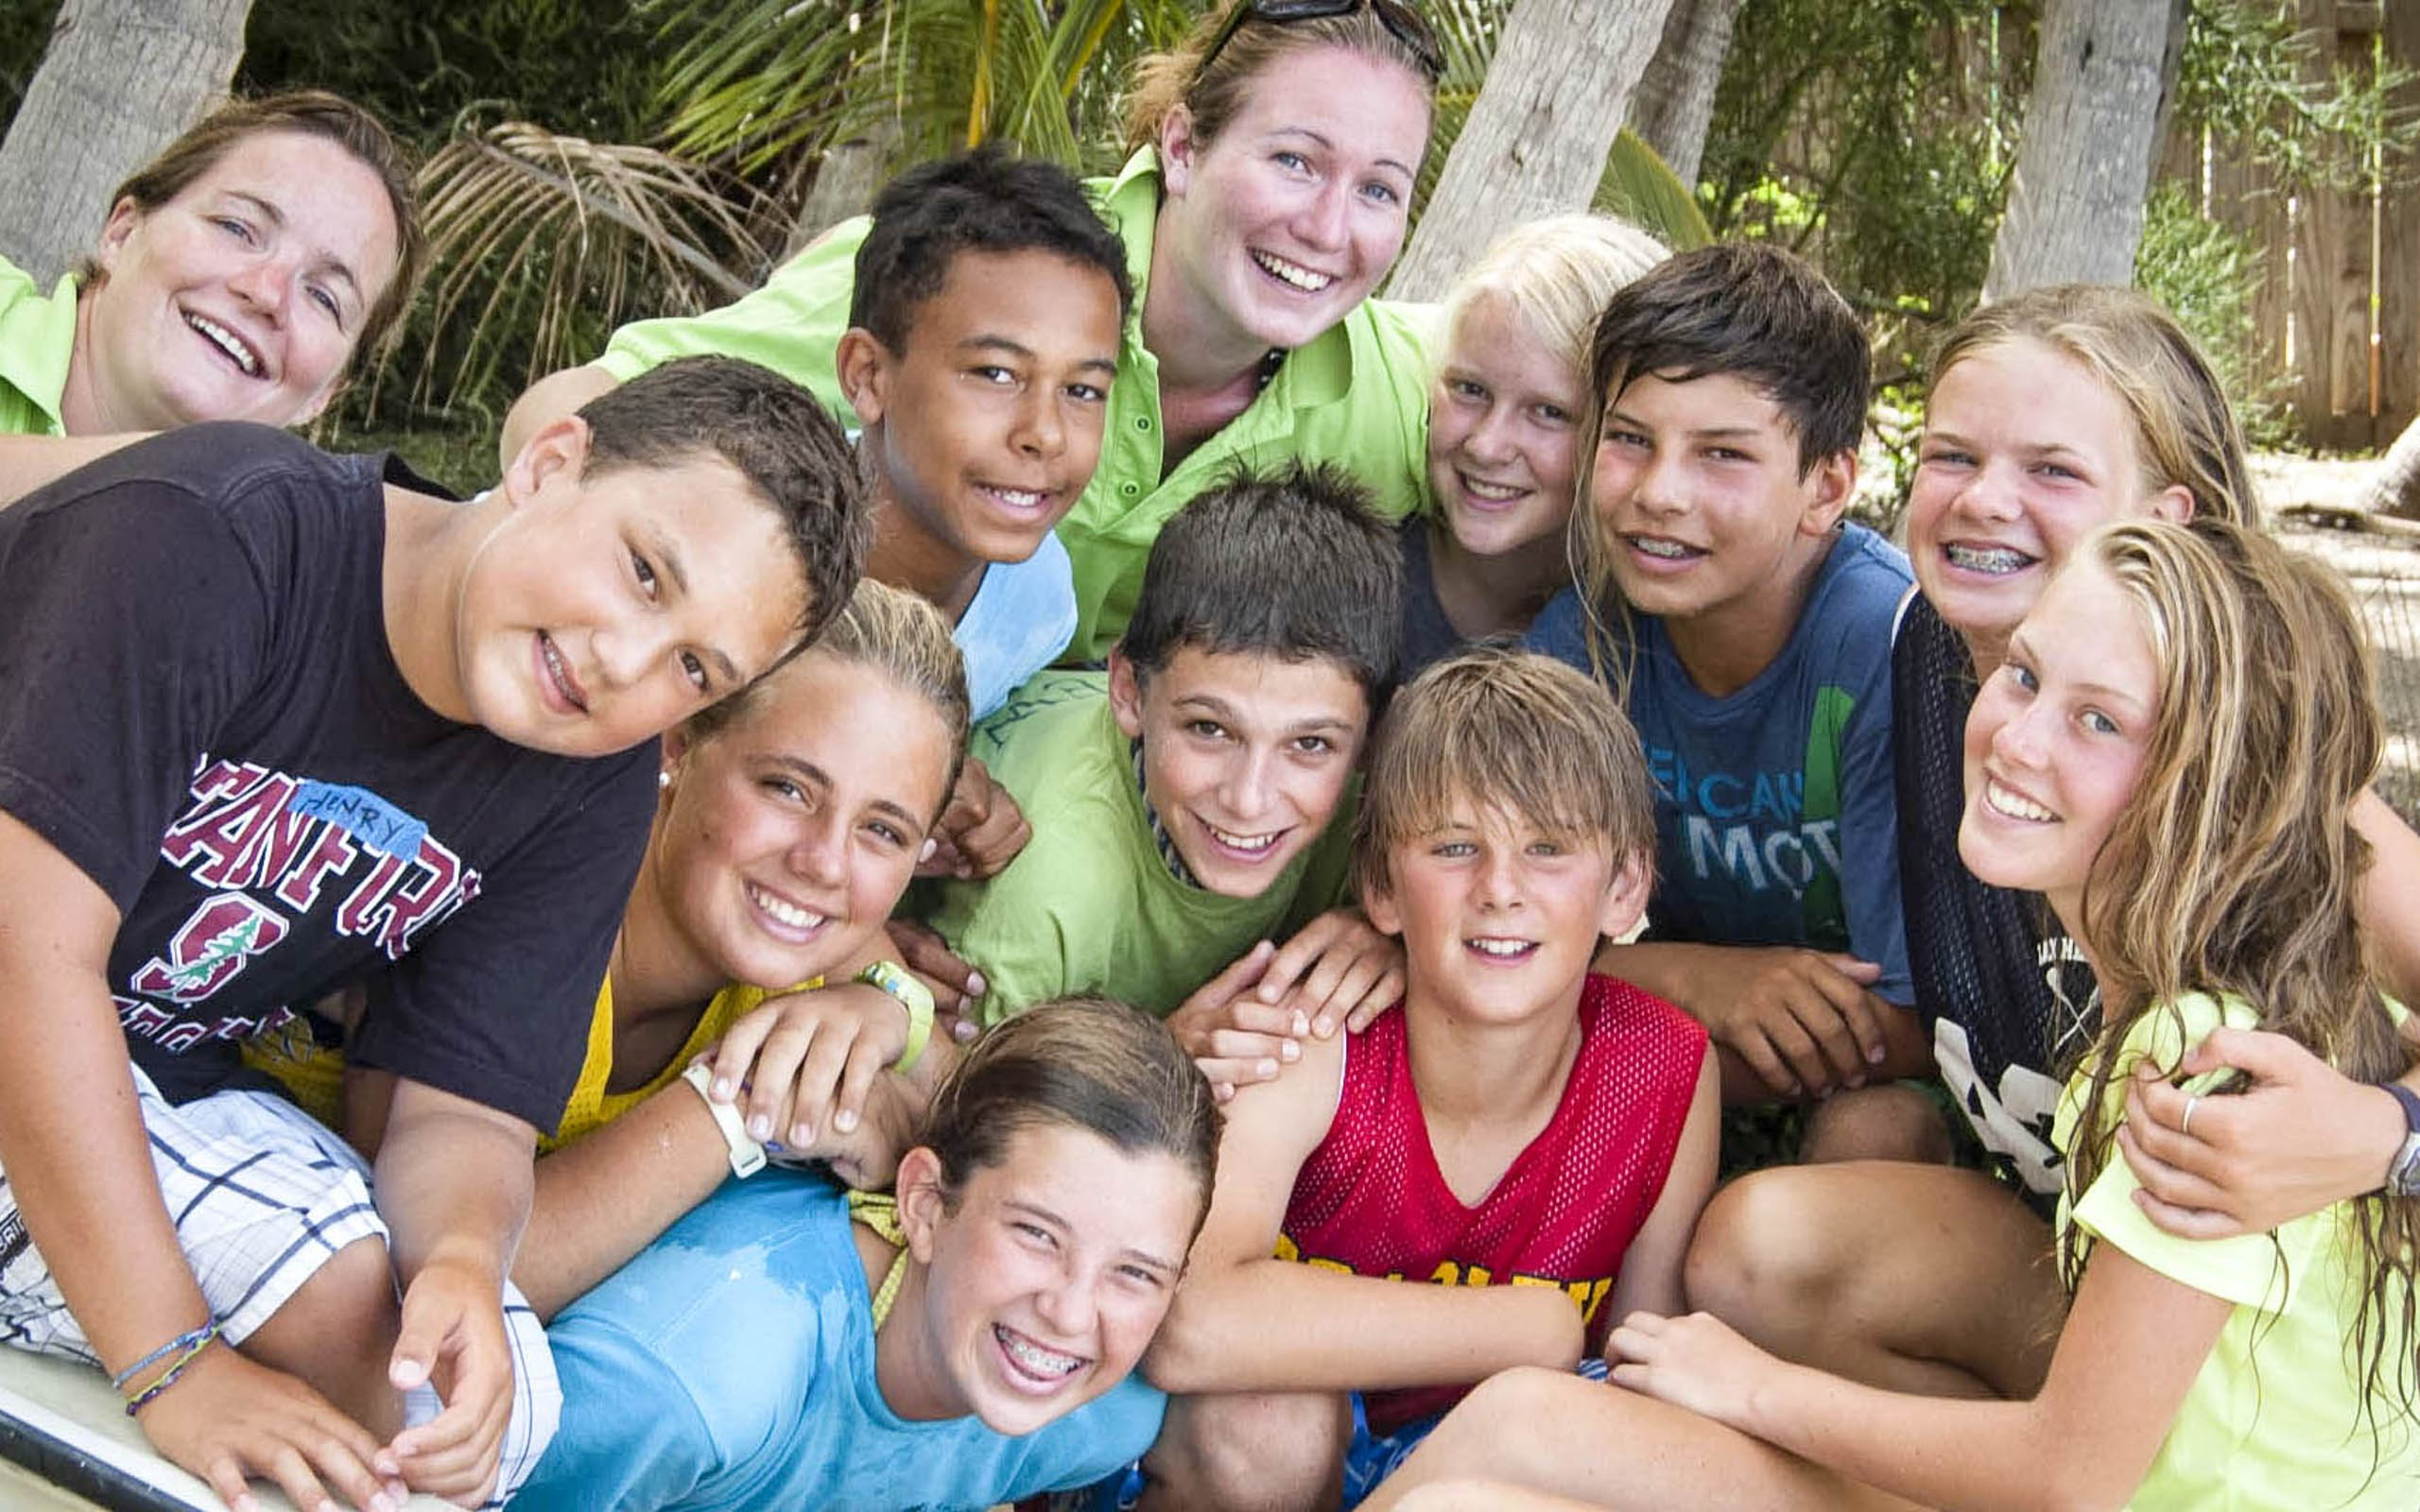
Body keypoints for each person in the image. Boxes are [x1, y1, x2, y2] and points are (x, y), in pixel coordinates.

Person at [1362, 520, 2420, 1511]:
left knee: (1487, 1482)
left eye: (2097, 720)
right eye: (2023, 675)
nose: (2017, 736)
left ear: (2216, 790)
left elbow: (2068, 1474)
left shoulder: (2201, 1057)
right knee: (1519, 1426)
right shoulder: (2227, 997)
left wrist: (1753, 1386)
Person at [0, 354, 864, 1511]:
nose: (623, 662)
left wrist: (459, 1254)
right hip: (25, 994)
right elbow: (25, 952)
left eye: (693, 667)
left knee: (456, 1394)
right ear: (549, 463)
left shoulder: (588, 772)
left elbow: (457, 1105)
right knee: (336, 1320)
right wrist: (174, 1363)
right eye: (645, 574)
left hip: (138, 1067)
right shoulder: (219, 538)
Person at [1685, 286, 2420, 1408]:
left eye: (2053, 472)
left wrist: (2384, 1134)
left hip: (2292, 1351)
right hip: (2083, 1261)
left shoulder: (2258, 777)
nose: (1985, 501)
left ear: (2169, 522)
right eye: (1950, 455)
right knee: (1773, 1241)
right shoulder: (1918, 660)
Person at [497, 0, 1445, 664]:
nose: (1327, 228)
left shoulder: (1408, 398)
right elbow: (582, 405)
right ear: (1185, 143)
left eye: (1377, 190)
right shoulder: (978, 267)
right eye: (1293, 161)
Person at [1128, 644, 1720, 1510]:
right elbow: (1188, 1322)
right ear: (1381, 887)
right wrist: (1530, 1324)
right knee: (1263, 1420)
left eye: (1549, 849)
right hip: (1266, 1463)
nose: (1500, 890)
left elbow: (1638, 1375)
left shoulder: (1663, 1069)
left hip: (1490, 1466)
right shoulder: (1313, 1037)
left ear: (1626, 889)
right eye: (1454, 847)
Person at [510, 995, 1221, 1512]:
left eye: (1134, 1273)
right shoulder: (687, 1391)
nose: (1069, 1314)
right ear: (924, 1206)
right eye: (1037, 1234)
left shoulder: (1098, 1408)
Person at [1529, 242, 1927, 1108]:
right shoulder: (1585, 643)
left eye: (1722, 455)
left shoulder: (1880, 644)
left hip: (1872, 1075)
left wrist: (1633, 1025)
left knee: (1876, 1129)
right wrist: (1695, 976)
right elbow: (1507, 939)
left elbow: (1911, 1021)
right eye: (1631, 440)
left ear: (1826, 489)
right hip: (1697, 1023)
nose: (1660, 493)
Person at [912, 461, 1405, 1057]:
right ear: (1129, 693)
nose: (1249, 799)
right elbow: (952, 1112)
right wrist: (1155, 1058)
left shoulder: (1374, 822)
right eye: (1209, 729)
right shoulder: (1049, 900)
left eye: (1310, 745)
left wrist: (1397, 936)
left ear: (1371, 738)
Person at [1, 89, 423, 437]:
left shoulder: (267, 537)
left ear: (327, 393)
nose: (266, 292)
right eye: (237, 228)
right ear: (123, 232)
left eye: (323, 297)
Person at [1400, 213, 1665, 679]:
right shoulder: (1351, 570)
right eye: (1469, 389)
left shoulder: (1652, 639)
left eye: (1549, 412)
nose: (1486, 445)